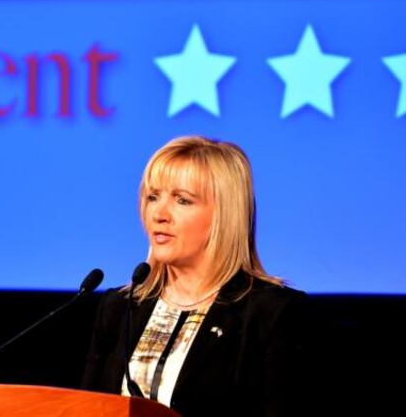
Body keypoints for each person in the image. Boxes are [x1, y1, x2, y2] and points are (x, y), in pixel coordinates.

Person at [81, 136, 309, 417]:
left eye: (182, 200)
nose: (159, 213)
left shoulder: (272, 313)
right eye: (153, 197)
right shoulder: (120, 307)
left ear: (224, 215)